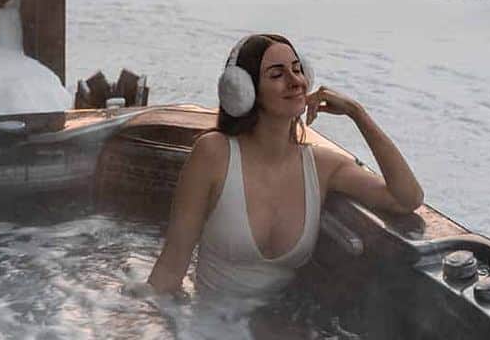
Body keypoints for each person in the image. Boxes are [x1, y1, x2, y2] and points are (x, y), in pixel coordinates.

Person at [148, 34, 423, 297]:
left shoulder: (321, 166)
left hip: (277, 322)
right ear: (243, 91)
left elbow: (407, 198)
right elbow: (172, 267)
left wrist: (357, 113)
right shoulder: (214, 154)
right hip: (209, 323)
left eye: (297, 69)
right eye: (277, 74)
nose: (296, 82)